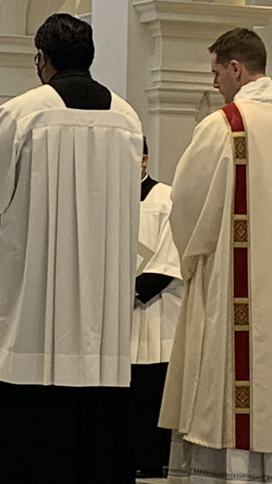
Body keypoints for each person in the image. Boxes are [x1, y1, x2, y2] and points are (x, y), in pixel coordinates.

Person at [0, 14, 143, 483]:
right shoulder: (126, 116)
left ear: (41, 59)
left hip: (35, 289)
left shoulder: (25, 112)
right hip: (101, 299)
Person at [160, 28, 272, 482]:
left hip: (236, 289)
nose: (214, 84)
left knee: (231, 394)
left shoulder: (226, 124)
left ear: (236, 68)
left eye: (215, 73)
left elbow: (185, 206)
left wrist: (197, 262)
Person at [131, 138, 184, 478]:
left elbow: (172, 252)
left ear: (144, 160)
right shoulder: (103, 199)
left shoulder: (166, 198)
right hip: (118, 316)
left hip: (158, 307)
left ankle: (155, 457)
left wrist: (136, 288)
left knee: (154, 386)